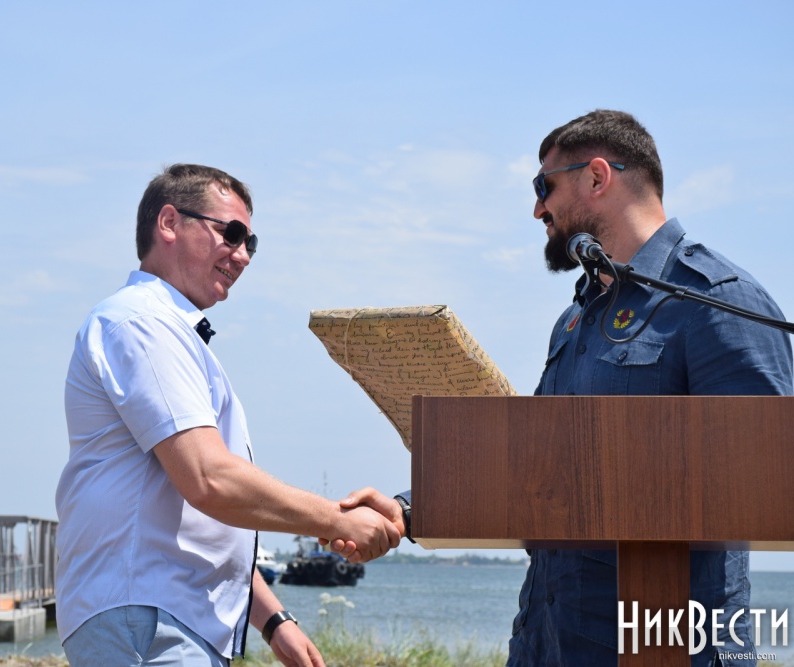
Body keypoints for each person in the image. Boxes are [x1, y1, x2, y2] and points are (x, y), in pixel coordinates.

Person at [336, 110, 793, 666]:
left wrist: (599, 474)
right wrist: (407, 511)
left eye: (543, 187)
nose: (537, 210)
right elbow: (536, 464)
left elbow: (764, 480)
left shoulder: (717, 301)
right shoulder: (577, 317)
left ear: (597, 177)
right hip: (548, 641)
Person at [55, 163, 404, 667]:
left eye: (250, 244)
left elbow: (194, 517)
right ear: (169, 223)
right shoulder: (142, 322)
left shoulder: (166, 330)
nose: (242, 255)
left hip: (162, 616)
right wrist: (336, 518)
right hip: (147, 616)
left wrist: (273, 619)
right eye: (232, 233)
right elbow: (209, 479)